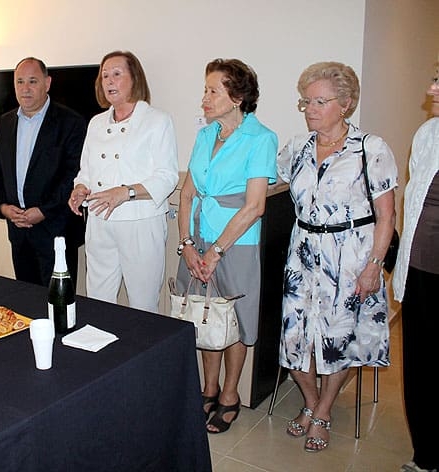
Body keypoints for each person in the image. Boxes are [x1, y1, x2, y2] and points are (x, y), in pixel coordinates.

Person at [277, 61, 397, 453]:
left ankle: (323, 410)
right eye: (305, 101)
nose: (310, 108)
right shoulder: (297, 147)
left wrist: (374, 266)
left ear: (344, 104)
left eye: (319, 101)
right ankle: (311, 403)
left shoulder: (370, 148)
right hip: (303, 257)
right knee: (295, 341)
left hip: (350, 258)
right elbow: (267, 183)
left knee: (337, 340)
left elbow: (386, 215)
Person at [177, 58, 278, 434]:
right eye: (205, 90)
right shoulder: (205, 135)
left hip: (236, 244)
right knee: (204, 315)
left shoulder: (261, 138)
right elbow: (187, 193)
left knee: (233, 321)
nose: (204, 98)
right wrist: (187, 244)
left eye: (212, 91)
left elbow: (255, 206)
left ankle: (230, 395)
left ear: (237, 97)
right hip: (197, 239)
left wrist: (215, 251)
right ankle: (208, 388)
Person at [68, 50, 178, 313]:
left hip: (140, 222)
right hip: (99, 220)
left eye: (117, 74)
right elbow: (86, 171)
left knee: (142, 304)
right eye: (105, 75)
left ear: (135, 79)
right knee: (98, 299)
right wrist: (80, 188)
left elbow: (167, 176)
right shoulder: (95, 123)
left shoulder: (156, 121)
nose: (109, 81)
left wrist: (125, 192)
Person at [0, 57, 87, 287]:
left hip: (56, 230)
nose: (25, 88)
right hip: (18, 231)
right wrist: (3, 207)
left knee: (59, 303)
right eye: (20, 82)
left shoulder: (71, 122)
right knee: (25, 301)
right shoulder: (5, 122)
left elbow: (73, 175)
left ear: (47, 83)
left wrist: (43, 211)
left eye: (32, 81)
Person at [393, 72, 439, 472]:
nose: (431, 89)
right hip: (422, 270)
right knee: (421, 366)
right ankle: (425, 454)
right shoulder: (428, 134)